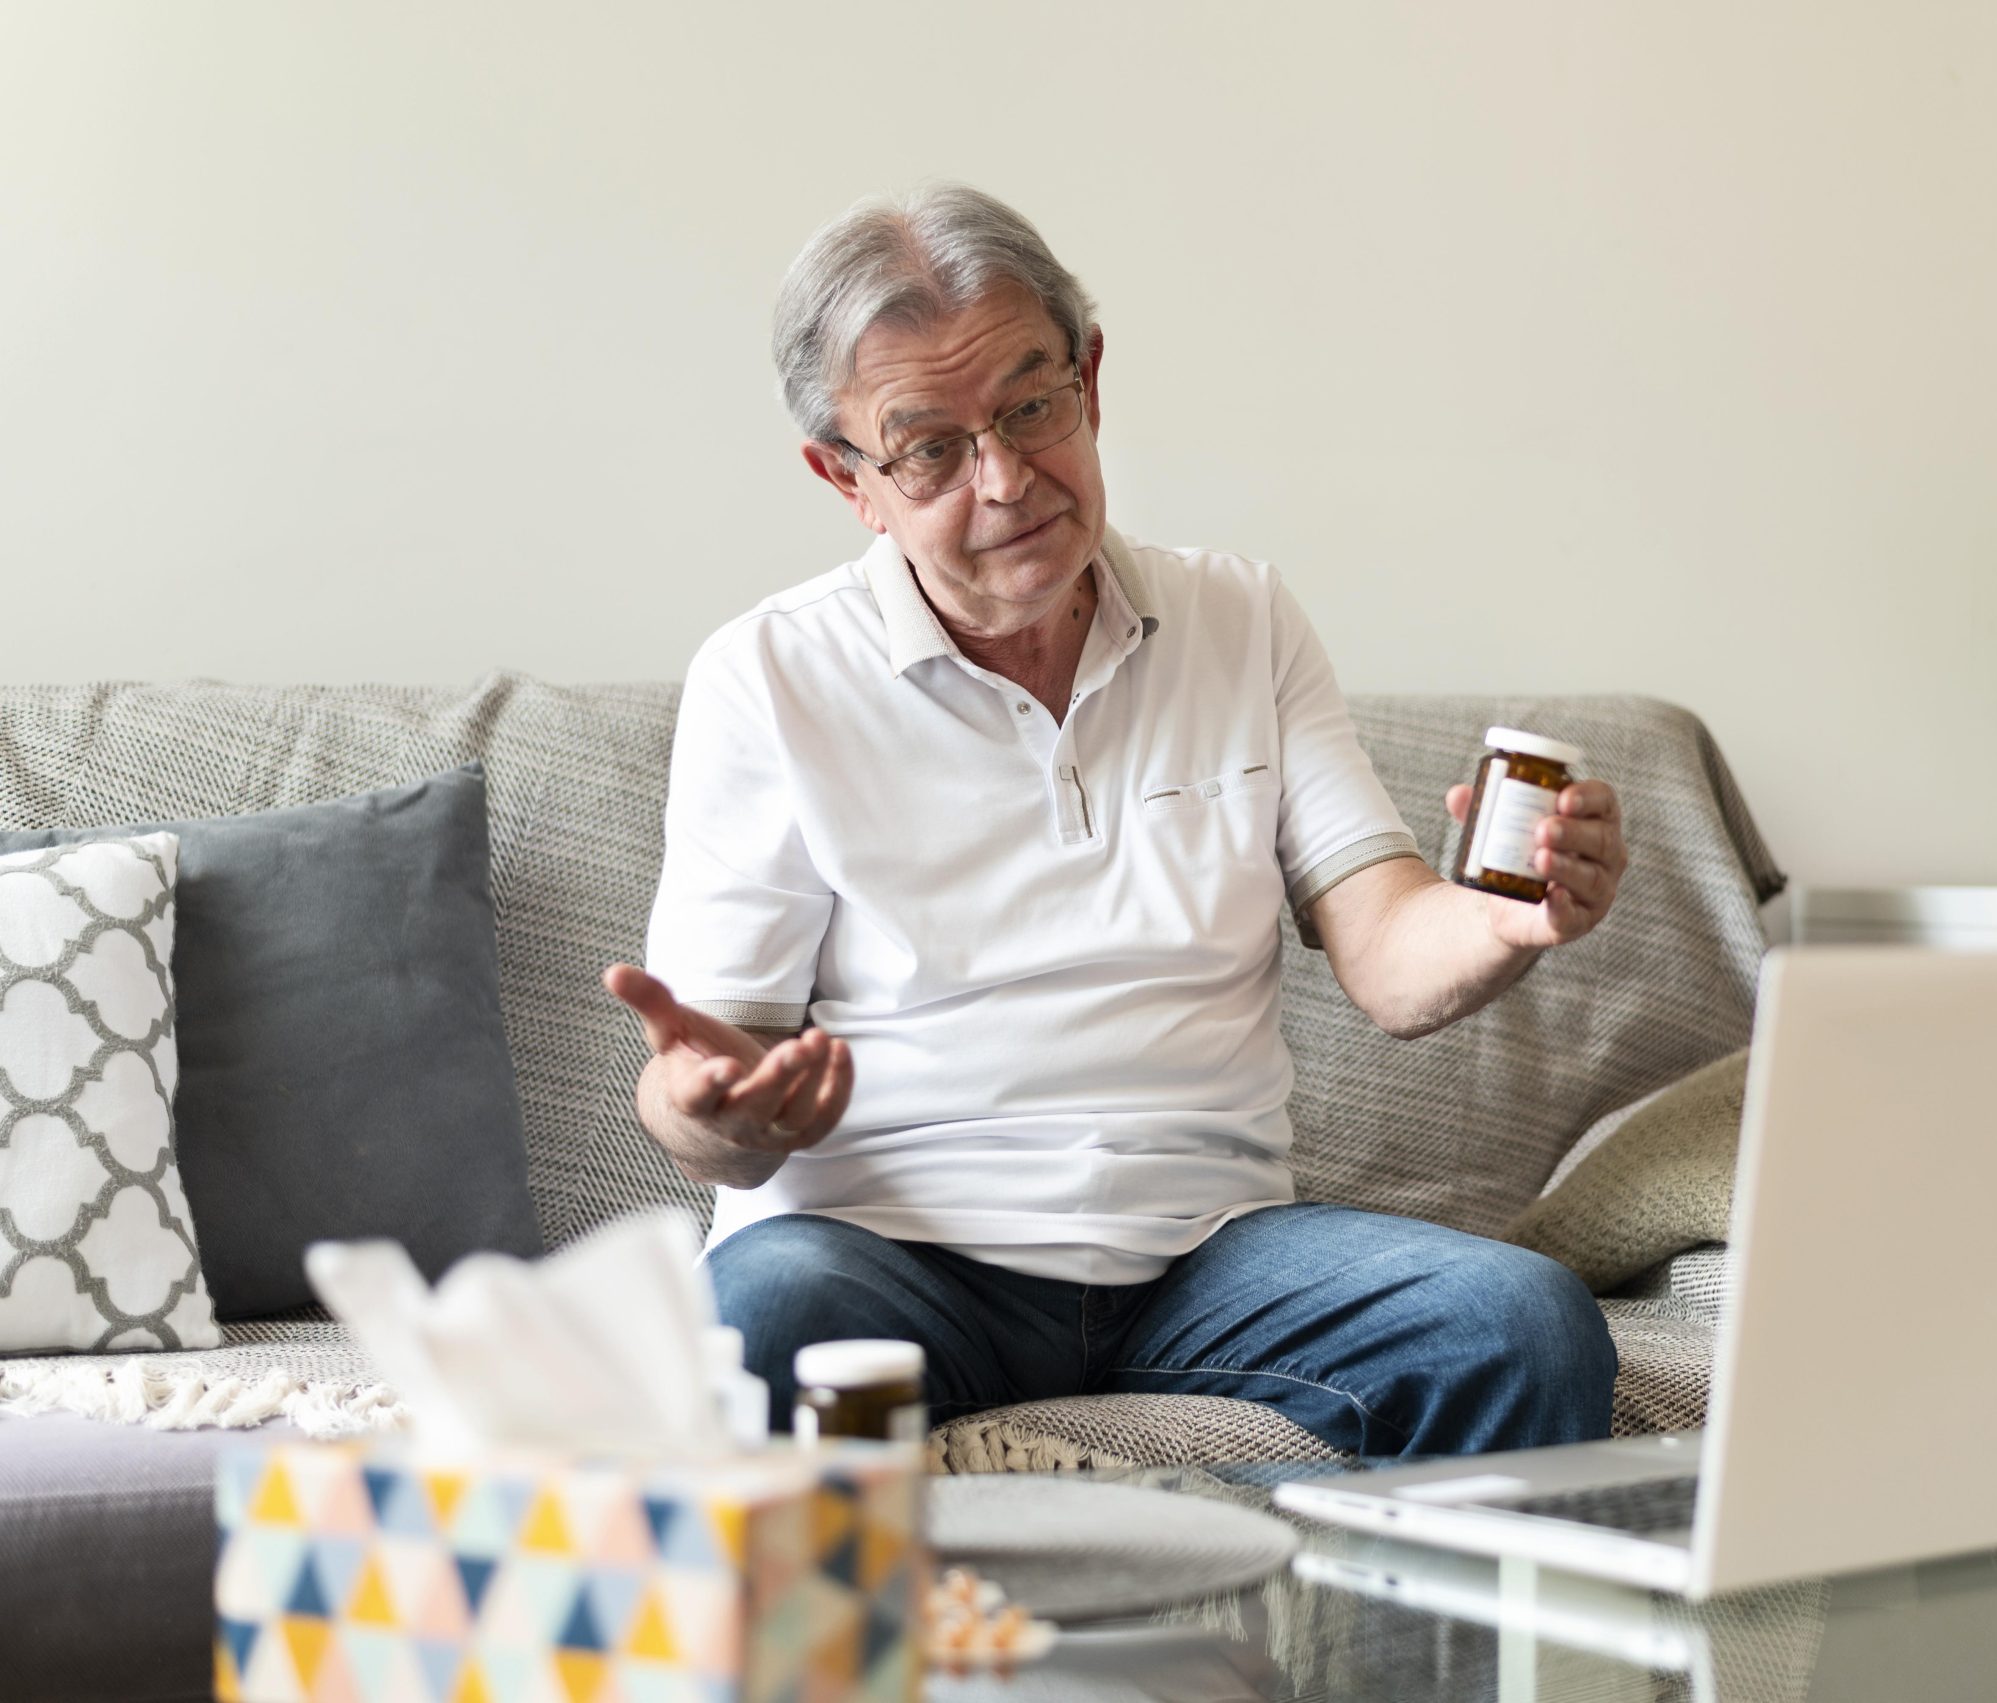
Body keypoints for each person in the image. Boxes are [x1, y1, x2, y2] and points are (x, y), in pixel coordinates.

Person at [603, 183, 1632, 1454]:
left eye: (1031, 406)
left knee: (1521, 1321)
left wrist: (1498, 917)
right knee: (751, 1318)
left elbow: (1388, 953)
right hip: (885, 1255)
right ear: (846, 478)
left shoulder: (1240, 619)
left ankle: (1389, 1657)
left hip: (1205, 1259)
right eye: (929, 446)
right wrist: (717, 1111)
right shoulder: (768, 676)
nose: (1006, 478)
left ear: (1089, 382)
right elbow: (708, 1084)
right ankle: (828, 1658)